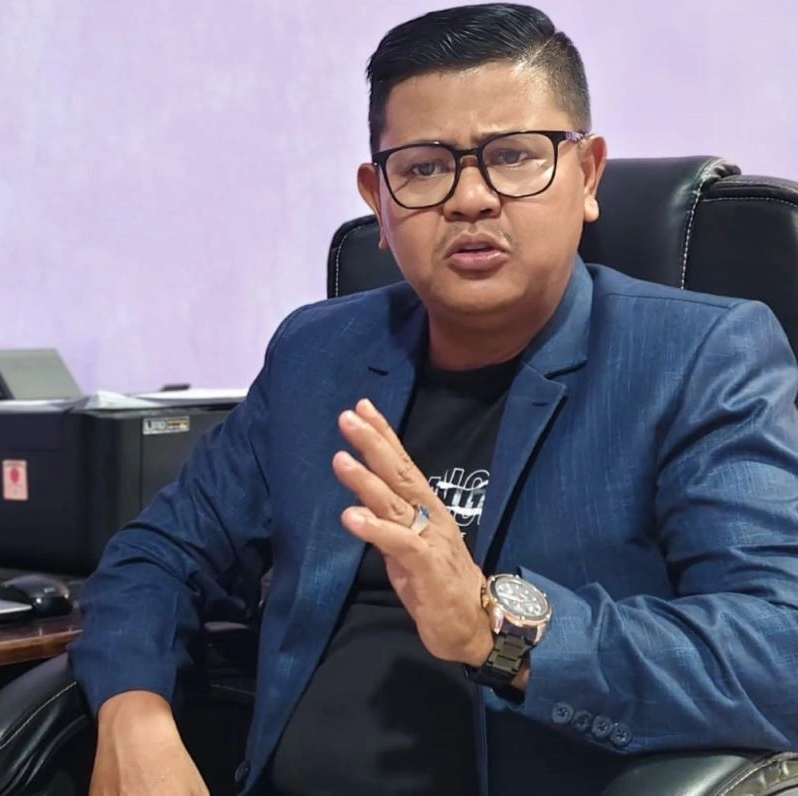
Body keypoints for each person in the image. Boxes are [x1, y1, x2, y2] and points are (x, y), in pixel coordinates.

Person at [69, 4, 798, 794]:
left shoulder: (698, 358)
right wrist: (133, 713)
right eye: (422, 168)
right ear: (377, 200)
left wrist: (497, 630)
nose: (471, 199)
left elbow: (777, 652)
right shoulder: (320, 355)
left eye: (513, 156)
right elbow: (158, 556)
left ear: (588, 176)